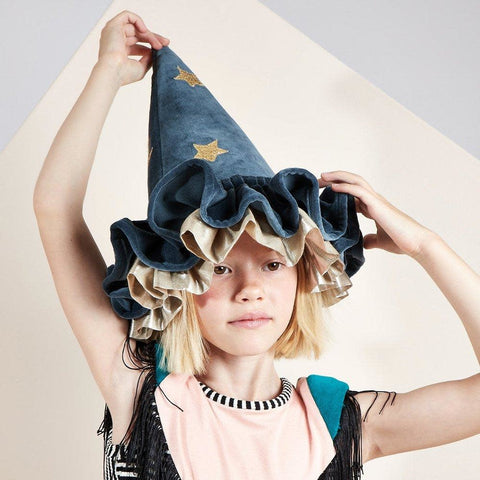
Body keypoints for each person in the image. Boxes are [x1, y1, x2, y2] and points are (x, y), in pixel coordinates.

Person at [33, 10, 480, 480]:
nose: (250, 290)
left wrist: (425, 246)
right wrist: (106, 72)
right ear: (178, 282)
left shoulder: (339, 423)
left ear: (302, 275)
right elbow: (55, 210)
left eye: (272, 264)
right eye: (220, 268)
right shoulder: (142, 392)